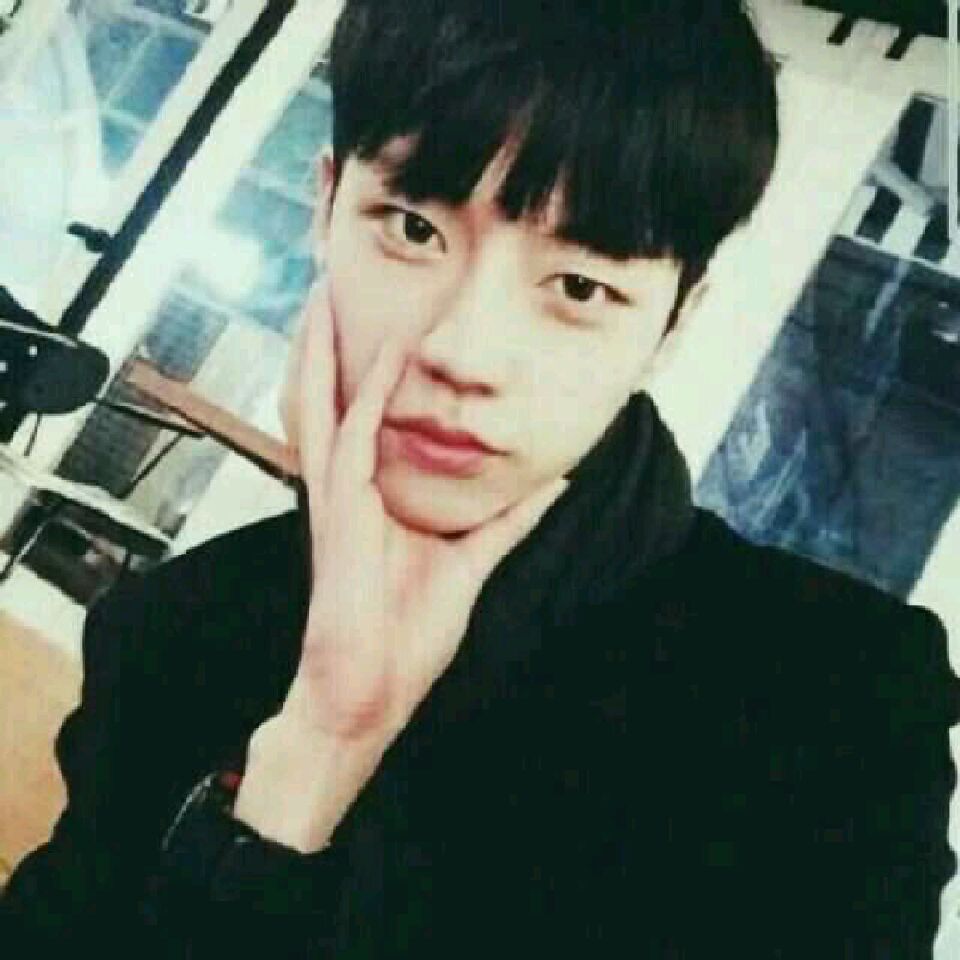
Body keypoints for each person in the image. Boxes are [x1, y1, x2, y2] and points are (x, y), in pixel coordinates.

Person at [2, 0, 958, 955]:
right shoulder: (174, 630)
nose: (463, 351)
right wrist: (311, 759)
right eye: (413, 229)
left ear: (674, 321)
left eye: (580, 286)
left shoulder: (836, 702)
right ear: (324, 209)